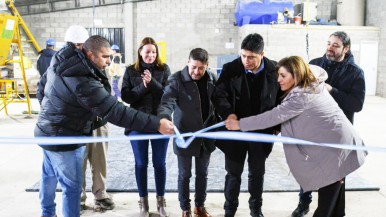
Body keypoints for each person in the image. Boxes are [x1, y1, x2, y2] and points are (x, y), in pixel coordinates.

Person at [34, 35, 174, 217]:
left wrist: (50, 114)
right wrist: (157, 124)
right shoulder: (83, 80)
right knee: (72, 189)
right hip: (66, 138)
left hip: (46, 132)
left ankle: (47, 214)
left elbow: (41, 88)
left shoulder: (60, 59)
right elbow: (117, 111)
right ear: (90, 54)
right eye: (105, 57)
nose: (109, 62)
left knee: (49, 177)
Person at [225, 56, 367, 217]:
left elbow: (272, 116)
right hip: (337, 143)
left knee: (327, 201)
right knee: (335, 195)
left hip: (334, 149)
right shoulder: (311, 84)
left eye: (283, 76)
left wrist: (240, 125)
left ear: (297, 75)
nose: (278, 80)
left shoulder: (302, 95)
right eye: (278, 75)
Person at [292, 31, 366, 217]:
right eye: (328, 43)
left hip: (337, 134)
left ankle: (334, 212)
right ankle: (304, 204)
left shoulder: (356, 73)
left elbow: (356, 105)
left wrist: (332, 90)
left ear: (346, 49)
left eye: (335, 45)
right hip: (313, 131)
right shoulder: (315, 65)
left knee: (336, 176)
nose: (330, 48)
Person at [212, 33, 282, 217]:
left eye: (251, 57)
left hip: (262, 132)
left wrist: (278, 125)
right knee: (233, 174)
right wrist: (229, 113)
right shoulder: (230, 68)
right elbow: (218, 95)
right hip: (236, 132)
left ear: (262, 54)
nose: (246, 61)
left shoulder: (275, 70)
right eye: (243, 55)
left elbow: (282, 99)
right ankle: (229, 210)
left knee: (257, 173)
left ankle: (256, 210)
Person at [158, 48, 217, 217]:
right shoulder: (176, 79)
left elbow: (219, 101)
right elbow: (167, 102)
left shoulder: (212, 79)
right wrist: (164, 117)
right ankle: (185, 208)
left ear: (207, 66)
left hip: (205, 137)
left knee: (202, 173)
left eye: (201, 68)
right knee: (184, 174)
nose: (196, 72)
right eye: (193, 67)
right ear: (188, 62)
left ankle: (200, 206)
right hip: (184, 135)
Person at [121, 37, 171, 217]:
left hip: (160, 122)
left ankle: (161, 202)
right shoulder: (130, 71)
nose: (150, 55)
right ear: (140, 52)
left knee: (159, 163)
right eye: (147, 51)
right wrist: (142, 86)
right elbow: (126, 97)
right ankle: (143, 203)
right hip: (137, 121)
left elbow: (168, 95)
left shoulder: (164, 69)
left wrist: (153, 83)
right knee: (141, 163)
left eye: (154, 52)